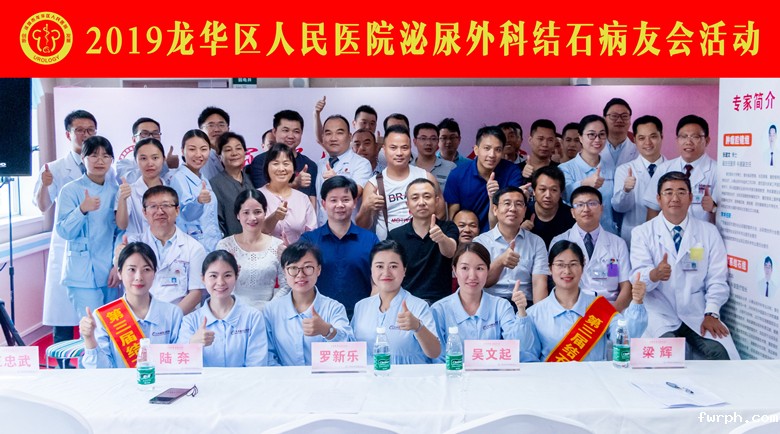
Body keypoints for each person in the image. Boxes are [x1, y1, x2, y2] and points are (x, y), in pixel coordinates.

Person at [631, 171, 739, 360]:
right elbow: (639, 279)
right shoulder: (642, 232)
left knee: (720, 353)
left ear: (690, 198)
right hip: (659, 311)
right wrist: (655, 274)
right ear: (658, 198)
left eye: (681, 192)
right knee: (668, 355)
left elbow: (717, 278)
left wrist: (712, 312)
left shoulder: (709, 232)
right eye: (668, 192)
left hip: (696, 311)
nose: (675, 198)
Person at [35, 109, 98, 355]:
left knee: (94, 318)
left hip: (96, 248)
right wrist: (44, 185)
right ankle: (61, 369)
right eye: (79, 130)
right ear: (68, 134)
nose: (85, 135)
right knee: (62, 315)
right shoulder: (55, 168)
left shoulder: (103, 165)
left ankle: (93, 363)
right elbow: (42, 206)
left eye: (90, 130)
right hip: (66, 248)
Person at [524, 240, 647, 362]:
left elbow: (626, 339)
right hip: (553, 376)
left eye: (573, 264)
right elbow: (529, 360)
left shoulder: (600, 308)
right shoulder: (534, 314)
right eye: (560, 265)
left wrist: (637, 302)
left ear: (583, 267)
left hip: (596, 375)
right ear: (550, 268)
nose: (567, 271)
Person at [80, 242, 183, 369]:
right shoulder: (103, 316)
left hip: (163, 381)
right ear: (119, 273)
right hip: (119, 381)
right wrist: (89, 339)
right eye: (131, 270)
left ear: (154, 273)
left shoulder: (172, 314)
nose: (139, 277)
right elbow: (100, 371)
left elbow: (180, 362)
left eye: (146, 270)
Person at [431, 242, 536, 362]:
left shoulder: (501, 306)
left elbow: (521, 348)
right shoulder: (439, 310)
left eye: (479, 268)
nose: (472, 276)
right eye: (465, 268)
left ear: (488, 270)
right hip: (454, 373)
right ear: (454, 270)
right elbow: (437, 358)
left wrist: (521, 311)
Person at [56, 135, 121, 318]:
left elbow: (121, 231)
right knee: (92, 326)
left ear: (111, 160)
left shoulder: (115, 191)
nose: (100, 161)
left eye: (106, 156)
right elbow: (64, 231)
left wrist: (117, 265)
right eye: (94, 155)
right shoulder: (70, 190)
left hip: (109, 270)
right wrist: (82, 210)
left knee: (112, 326)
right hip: (81, 272)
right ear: (83, 159)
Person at [264, 241, 354, 366]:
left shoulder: (334, 308)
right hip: (285, 377)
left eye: (307, 267)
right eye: (293, 268)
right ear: (284, 271)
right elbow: (268, 355)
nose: (300, 275)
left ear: (318, 270)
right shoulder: (271, 310)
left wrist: (327, 330)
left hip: (326, 377)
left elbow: (351, 349)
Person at [351, 241, 441, 364]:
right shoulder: (361, 306)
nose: (386, 273)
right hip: (369, 375)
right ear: (371, 270)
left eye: (393, 266)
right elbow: (351, 346)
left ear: (404, 270)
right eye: (379, 266)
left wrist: (418, 327)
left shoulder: (419, 306)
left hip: (408, 375)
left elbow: (435, 352)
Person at [300, 176, 378, 317]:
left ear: (354, 202)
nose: (340, 205)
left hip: (360, 317)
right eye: (333, 200)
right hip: (319, 317)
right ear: (324, 204)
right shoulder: (309, 240)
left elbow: (378, 281)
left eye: (345, 199)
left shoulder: (370, 239)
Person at [178, 250, 269, 367]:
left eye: (227, 275)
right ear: (203, 278)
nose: (220, 282)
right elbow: (181, 366)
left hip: (245, 379)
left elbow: (257, 366)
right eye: (213, 276)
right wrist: (192, 344)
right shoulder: (190, 321)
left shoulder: (253, 317)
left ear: (236, 277)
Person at [124, 186, 206, 314]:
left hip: (180, 318)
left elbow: (196, 293)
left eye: (166, 205)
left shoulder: (194, 248)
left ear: (177, 210)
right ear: (144, 212)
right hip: (141, 316)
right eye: (153, 206)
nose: (160, 211)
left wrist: (169, 318)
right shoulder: (133, 245)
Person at [550, 186, 632, 312]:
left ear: (601, 208)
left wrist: (610, 314)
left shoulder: (618, 243)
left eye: (592, 203)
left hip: (610, 308)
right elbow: (557, 285)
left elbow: (626, 286)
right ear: (572, 212)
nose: (586, 209)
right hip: (572, 309)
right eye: (580, 205)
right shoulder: (559, 241)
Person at [357, 125, 443, 240]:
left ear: (410, 148)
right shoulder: (373, 185)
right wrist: (366, 207)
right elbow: (362, 226)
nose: (399, 153)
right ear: (384, 149)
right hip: (389, 247)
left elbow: (441, 214)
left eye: (404, 147)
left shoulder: (426, 177)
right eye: (393, 148)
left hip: (422, 244)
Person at [473, 187, 550, 305]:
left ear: (524, 211)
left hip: (524, 303)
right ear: (495, 210)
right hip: (490, 304)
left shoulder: (536, 242)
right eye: (507, 203)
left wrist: (537, 313)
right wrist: (500, 262)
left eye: (518, 204)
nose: (513, 209)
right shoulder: (481, 242)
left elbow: (539, 284)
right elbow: (479, 282)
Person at [216, 189, 288, 311]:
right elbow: (218, 284)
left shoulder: (278, 246)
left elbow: (286, 285)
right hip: (233, 311)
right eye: (246, 212)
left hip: (269, 313)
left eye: (257, 212)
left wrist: (267, 309)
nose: (252, 218)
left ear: (265, 212)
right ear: (237, 215)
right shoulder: (225, 246)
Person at [388, 178, 458, 304]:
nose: (421, 202)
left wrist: (441, 238)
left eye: (427, 197)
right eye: (415, 198)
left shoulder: (448, 227)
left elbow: (451, 252)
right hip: (407, 302)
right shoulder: (395, 235)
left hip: (441, 302)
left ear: (437, 201)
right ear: (407, 204)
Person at [444, 126, 522, 232]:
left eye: (498, 150)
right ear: (476, 150)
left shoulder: (512, 171)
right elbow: (453, 218)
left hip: (501, 234)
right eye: (487, 148)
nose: (492, 155)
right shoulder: (457, 175)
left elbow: (513, 207)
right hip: (468, 235)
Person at [643, 115, 718, 223]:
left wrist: (713, 208)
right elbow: (653, 208)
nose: (688, 142)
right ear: (677, 140)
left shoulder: (717, 171)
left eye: (695, 137)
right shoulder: (664, 168)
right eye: (683, 136)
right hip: (667, 232)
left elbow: (725, 214)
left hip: (702, 232)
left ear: (707, 140)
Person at [612, 115, 666, 246]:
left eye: (653, 136)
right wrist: (626, 191)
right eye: (641, 138)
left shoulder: (673, 168)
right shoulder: (624, 170)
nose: (648, 143)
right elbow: (619, 208)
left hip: (666, 235)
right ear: (635, 140)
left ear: (661, 137)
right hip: (633, 235)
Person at [559, 114, 618, 234]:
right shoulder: (565, 169)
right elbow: (563, 196)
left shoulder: (613, 169)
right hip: (576, 236)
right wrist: (584, 183)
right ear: (580, 137)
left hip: (608, 234)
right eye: (591, 134)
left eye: (602, 135)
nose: (597, 140)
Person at [249, 110, 318, 203]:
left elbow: (312, 201)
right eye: (285, 130)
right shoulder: (260, 161)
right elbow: (264, 195)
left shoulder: (310, 165)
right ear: (274, 132)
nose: (291, 136)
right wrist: (295, 183)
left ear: (301, 133)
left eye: (296, 131)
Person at [169, 129, 221, 251]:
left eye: (203, 149)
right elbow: (186, 214)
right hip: (193, 247)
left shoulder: (203, 178)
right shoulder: (178, 178)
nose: (198, 154)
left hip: (212, 245)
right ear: (182, 151)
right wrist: (198, 201)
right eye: (192, 149)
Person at [315, 114, 372, 226]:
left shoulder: (361, 163)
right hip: (321, 231)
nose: (333, 138)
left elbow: (356, 192)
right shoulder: (319, 164)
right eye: (328, 133)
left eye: (339, 133)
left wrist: (336, 180)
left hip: (348, 230)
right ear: (323, 137)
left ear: (350, 137)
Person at [260, 143, 317, 244]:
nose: (281, 169)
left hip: (298, 253)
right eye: (276, 163)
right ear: (267, 167)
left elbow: (312, 236)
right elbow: (253, 232)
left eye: (286, 163)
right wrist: (274, 217)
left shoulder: (303, 199)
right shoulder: (256, 196)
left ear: (293, 168)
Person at [115, 137, 166, 239]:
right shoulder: (128, 190)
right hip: (137, 245)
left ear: (163, 160)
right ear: (136, 161)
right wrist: (123, 199)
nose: (150, 163)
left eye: (155, 158)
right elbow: (121, 225)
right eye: (143, 158)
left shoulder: (171, 189)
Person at [209, 132, 254, 236]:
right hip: (230, 242)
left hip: (256, 239)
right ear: (219, 156)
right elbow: (216, 222)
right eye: (228, 150)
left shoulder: (252, 179)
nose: (234, 153)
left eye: (238, 148)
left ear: (245, 152)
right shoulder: (214, 184)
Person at [521, 166, 575, 248]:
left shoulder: (571, 216)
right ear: (534, 191)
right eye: (542, 189)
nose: (548, 195)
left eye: (554, 190)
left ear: (561, 193)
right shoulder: (523, 212)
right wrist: (520, 232)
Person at [114, 117, 178, 184]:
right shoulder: (123, 164)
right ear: (134, 139)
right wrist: (165, 165)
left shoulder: (168, 163)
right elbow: (130, 180)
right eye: (144, 133)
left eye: (155, 133)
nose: (151, 137)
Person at [412, 122, 456, 190]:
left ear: (438, 141)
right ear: (415, 141)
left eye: (433, 139)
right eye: (423, 138)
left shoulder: (451, 167)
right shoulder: (407, 168)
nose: (428, 143)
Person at [601, 98, 638, 171]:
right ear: (604, 119)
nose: (619, 120)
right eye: (614, 116)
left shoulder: (639, 152)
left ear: (630, 120)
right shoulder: (592, 150)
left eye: (624, 116)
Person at [518, 119, 559, 185]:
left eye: (550, 140)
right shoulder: (516, 170)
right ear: (530, 140)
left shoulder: (560, 170)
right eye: (540, 139)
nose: (545, 144)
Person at [197, 106, 230, 180]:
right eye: (211, 125)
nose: (216, 129)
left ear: (228, 129)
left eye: (221, 125)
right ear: (201, 131)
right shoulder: (199, 159)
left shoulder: (233, 156)